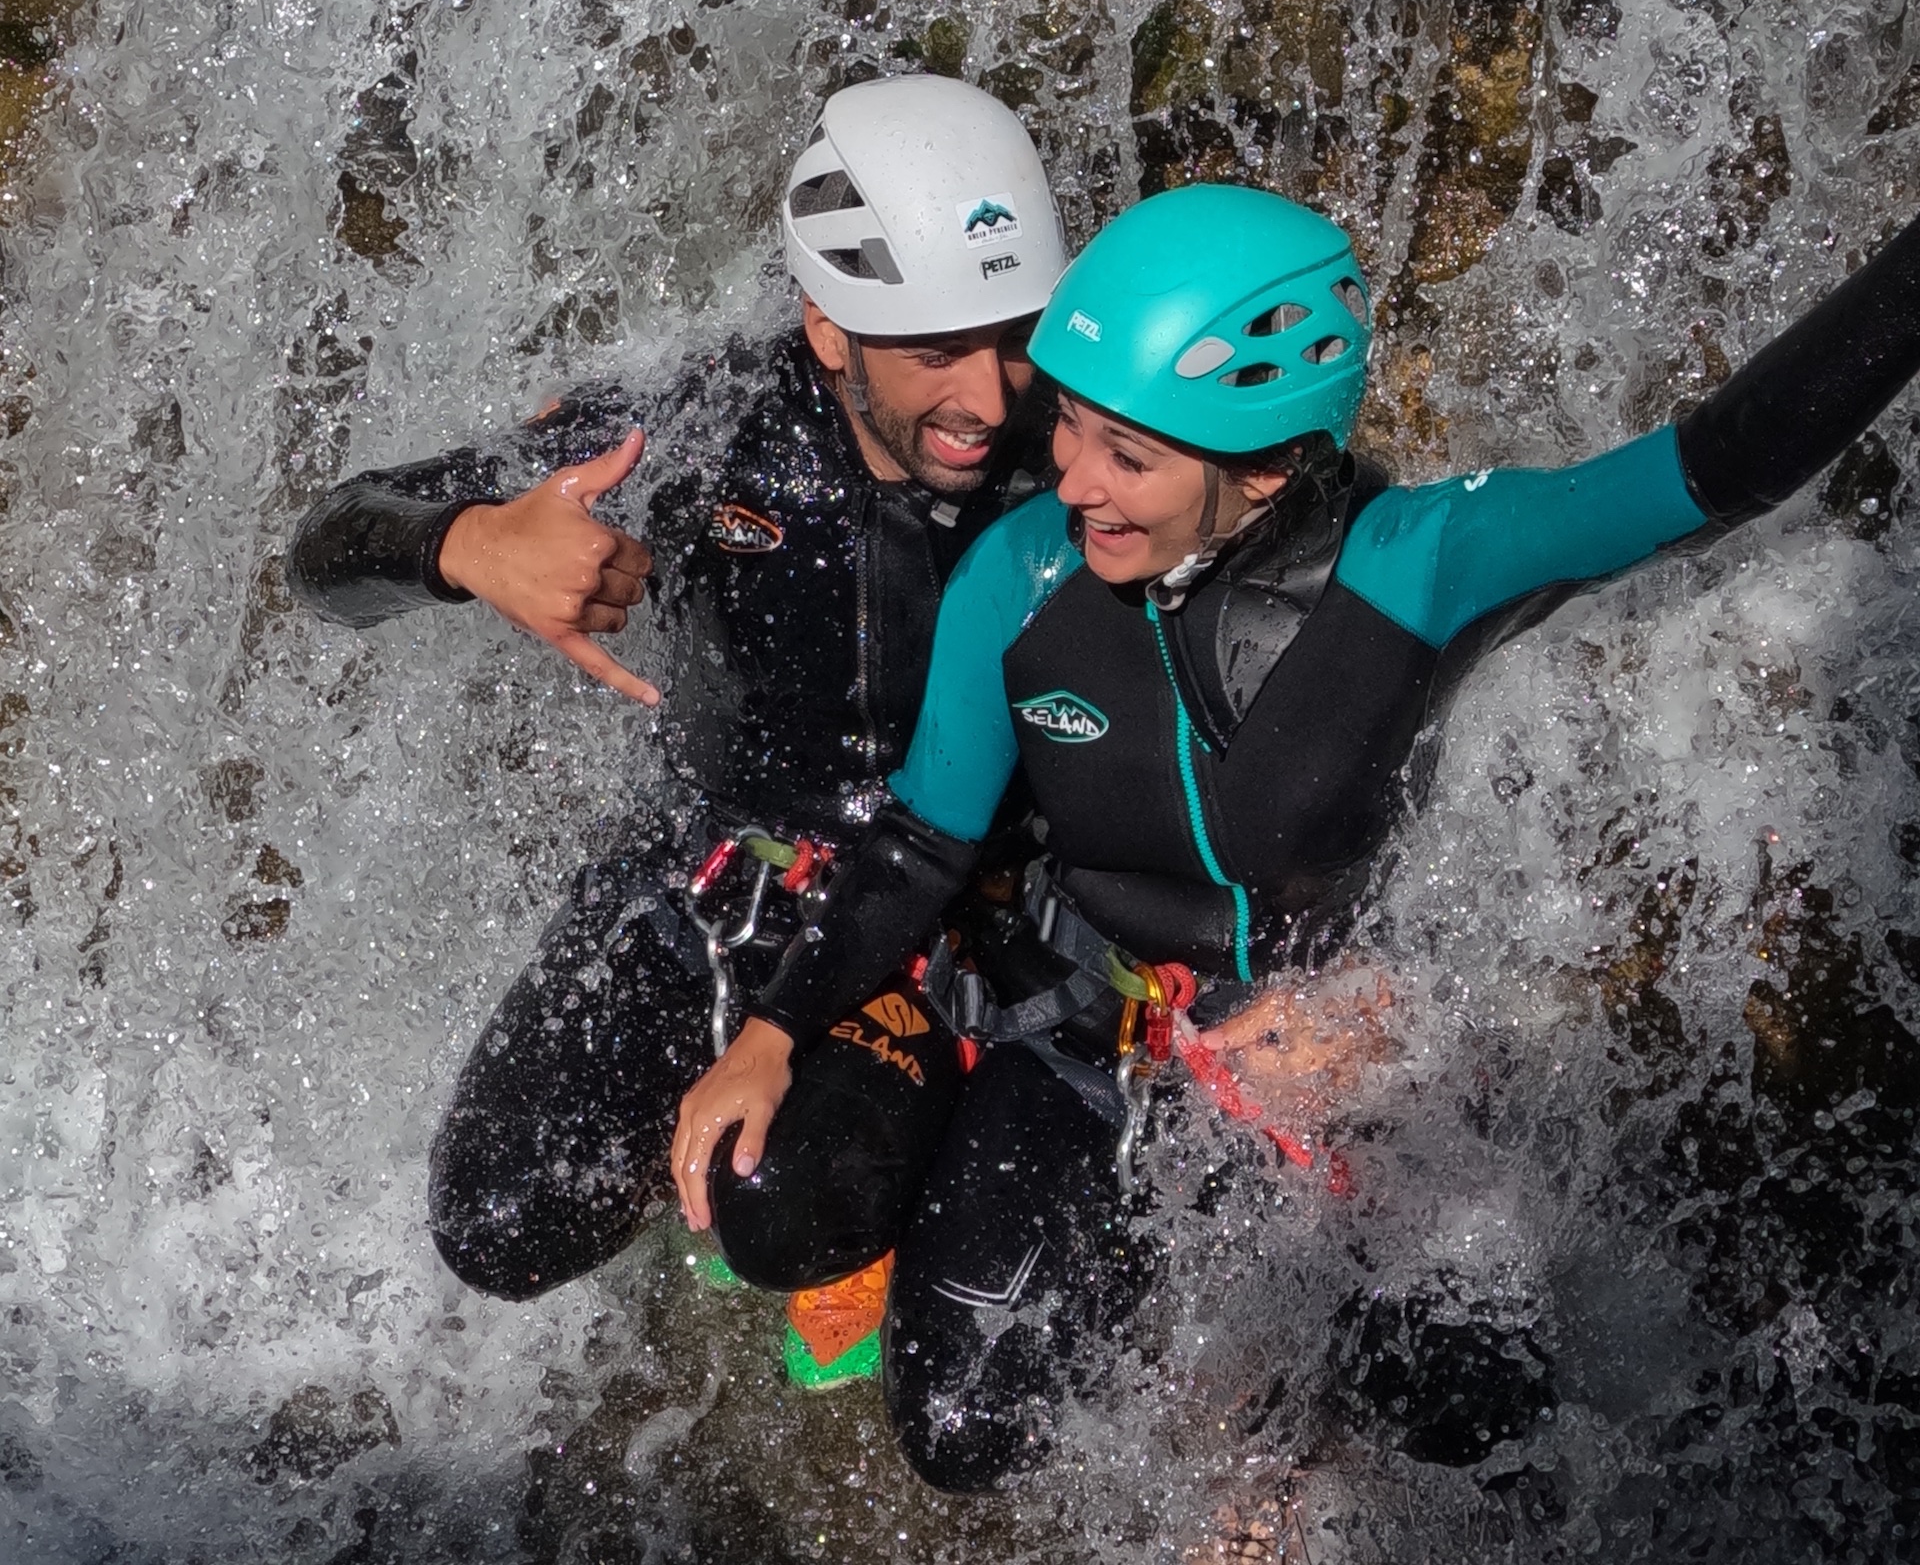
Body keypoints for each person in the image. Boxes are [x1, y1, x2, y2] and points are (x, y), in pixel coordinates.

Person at [671, 181, 1920, 1491]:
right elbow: (925, 844)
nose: (1068, 481)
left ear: (1263, 468)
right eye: (1075, 429)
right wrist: (772, 1031)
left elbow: (1724, 462)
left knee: (1468, 1406)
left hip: (1339, 1052)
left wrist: (1405, 1012)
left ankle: (1287, 1431)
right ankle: (952, 1216)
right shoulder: (1022, 575)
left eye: (1127, 458)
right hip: (1086, 1034)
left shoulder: (1419, 563)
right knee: (965, 1435)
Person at [288, 75, 1069, 1373]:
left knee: (787, 1213)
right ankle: (726, 1138)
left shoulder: (1082, 441)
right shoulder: (705, 425)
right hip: (713, 862)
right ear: (829, 330)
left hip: (944, 895)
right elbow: (325, 551)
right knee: (496, 1220)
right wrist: (471, 545)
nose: (988, 397)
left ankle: (869, 1166)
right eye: (936, 349)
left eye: (1012, 335)